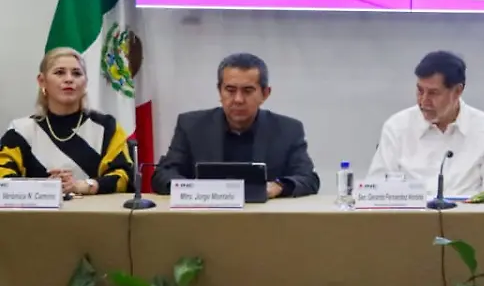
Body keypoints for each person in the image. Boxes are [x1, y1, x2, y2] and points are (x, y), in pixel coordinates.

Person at [151, 53, 319, 197]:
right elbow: (163, 174)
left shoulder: (288, 130)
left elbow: (308, 178)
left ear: (265, 94)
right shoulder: (191, 126)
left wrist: (278, 186)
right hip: (206, 217)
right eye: (230, 90)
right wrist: (195, 190)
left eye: (248, 91)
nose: (238, 99)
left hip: (265, 219)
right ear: (220, 91)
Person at [368, 51, 484, 198]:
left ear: (457, 91)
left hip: (469, 212)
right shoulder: (396, 127)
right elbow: (376, 189)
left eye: (433, 93)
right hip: (411, 212)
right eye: (420, 91)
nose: (423, 101)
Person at [0, 48, 133, 195]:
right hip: (38, 210)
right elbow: (3, 178)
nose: (69, 79)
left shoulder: (107, 127)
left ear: (85, 82)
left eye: (76, 73)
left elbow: (124, 176)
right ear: (42, 81)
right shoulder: (20, 131)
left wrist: (84, 186)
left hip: (95, 209)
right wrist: (44, 189)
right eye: (59, 72)